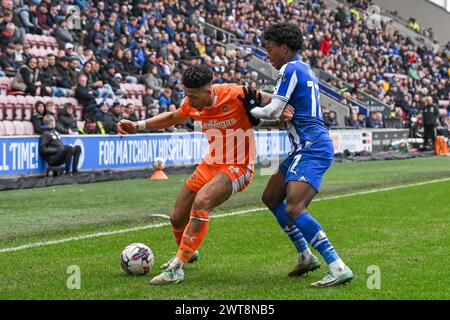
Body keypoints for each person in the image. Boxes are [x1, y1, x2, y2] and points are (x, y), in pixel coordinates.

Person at [118, 64, 291, 285]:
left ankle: (177, 268)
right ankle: (188, 252)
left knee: (201, 202)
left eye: (192, 96)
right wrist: (137, 125)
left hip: (237, 165)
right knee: (177, 216)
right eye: (186, 95)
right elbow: (172, 117)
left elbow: (269, 98)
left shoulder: (235, 93)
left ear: (208, 92)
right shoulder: (190, 102)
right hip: (209, 164)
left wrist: (282, 107)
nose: (188, 101)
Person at [242, 23, 353, 288]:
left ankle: (337, 266)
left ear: (284, 47)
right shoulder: (303, 70)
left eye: (269, 49)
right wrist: (261, 111)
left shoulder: (290, 69)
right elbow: (284, 114)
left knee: (293, 207)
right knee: (271, 197)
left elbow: (273, 110)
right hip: (303, 146)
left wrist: (251, 110)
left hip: (312, 146)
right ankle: (305, 255)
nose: (267, 54)